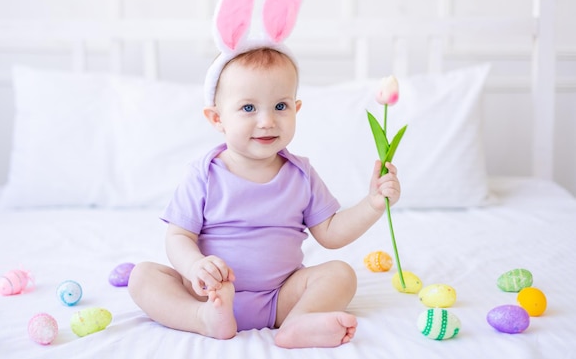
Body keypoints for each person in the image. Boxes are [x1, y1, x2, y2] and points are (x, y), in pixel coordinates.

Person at [128, 47, 401, 349]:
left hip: (279, 297)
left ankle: (299, 320)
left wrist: (372, 204)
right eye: (248, 108)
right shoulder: (203, 174)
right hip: (209, 292)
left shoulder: (301, 174)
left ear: (296, 109)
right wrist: (195, 267)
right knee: (143, 277)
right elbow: (178, 236)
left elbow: (331, 233)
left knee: (342, 274)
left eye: (280, 106)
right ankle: (201, 317)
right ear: (217, 118)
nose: (267, 120)